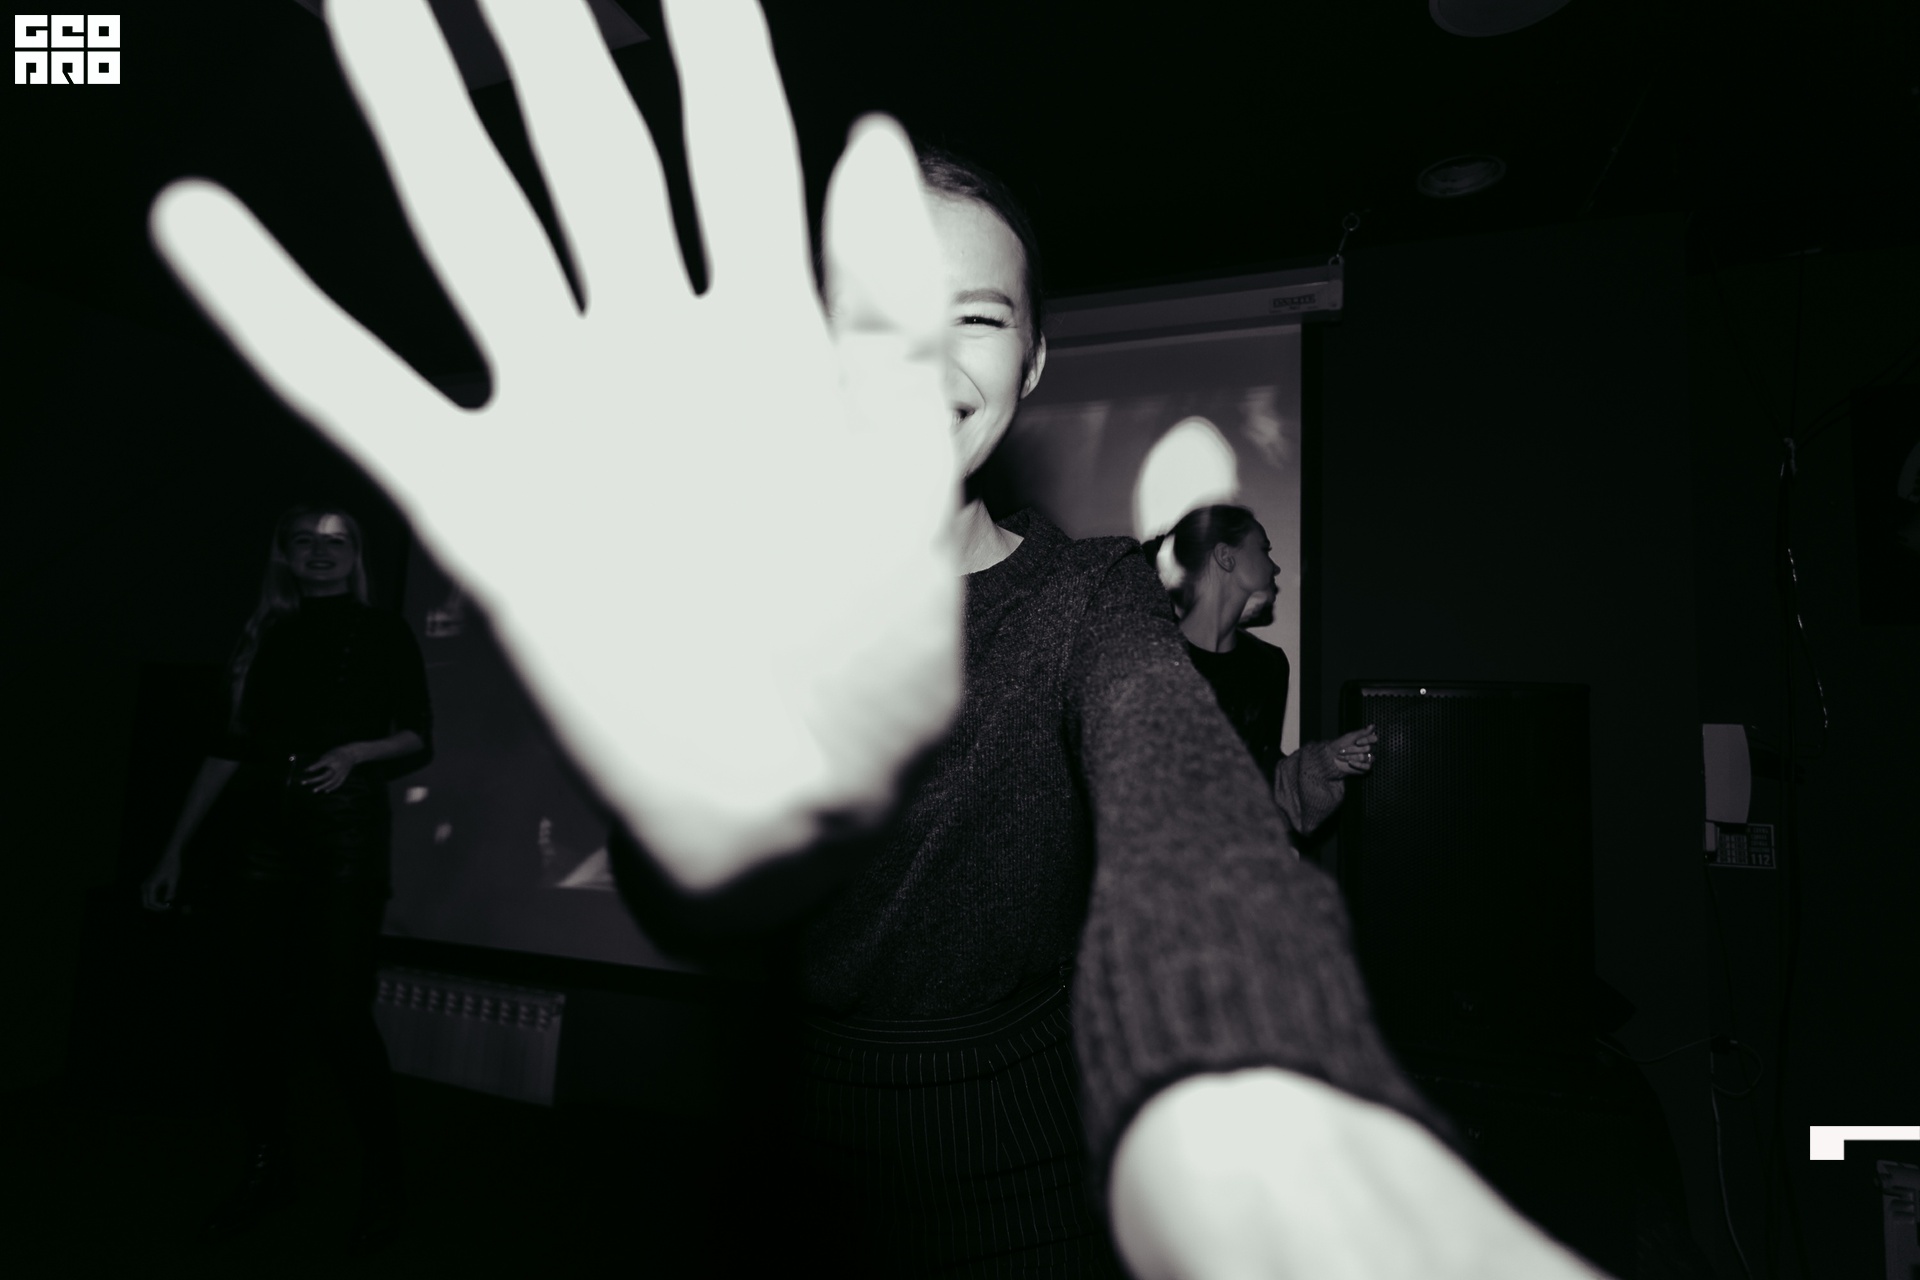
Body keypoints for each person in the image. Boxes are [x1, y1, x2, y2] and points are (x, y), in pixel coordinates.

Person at [149, 2, 1610, 1275]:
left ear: (1030, 364)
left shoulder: (1094, 596)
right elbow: (689, 886)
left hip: (1037, 1170)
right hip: (791, 1168)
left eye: (975, 317)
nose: (923, 354)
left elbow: (1174, 780)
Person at [142, 505, 432, 1251]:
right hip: (260, 832)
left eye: (336, 541)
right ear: (286, 556)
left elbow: (418, 736)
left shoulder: (384, 631)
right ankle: (269, 1168)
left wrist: (356, 753)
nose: (320, 551)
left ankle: (386, 1176)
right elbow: (226, 750)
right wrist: (174, 851)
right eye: (306, 540)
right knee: (249, 1006)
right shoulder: (264, 635)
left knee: (337, 1009)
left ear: (355, 556)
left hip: (343, 829)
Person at [1143, 504, 1377, 858]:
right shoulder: (1148, 658)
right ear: (1225, 556)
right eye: (1264, 549)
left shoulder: (1268, 666)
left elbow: (1261, 783)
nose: (1276, 567)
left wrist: (1325, 763)